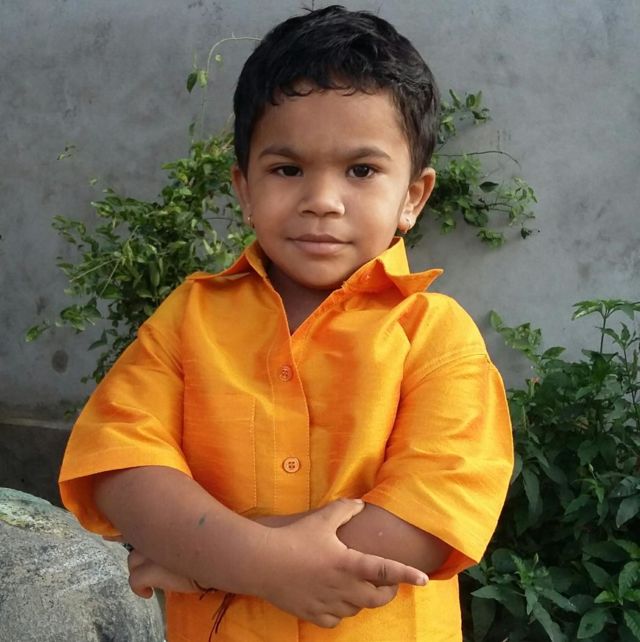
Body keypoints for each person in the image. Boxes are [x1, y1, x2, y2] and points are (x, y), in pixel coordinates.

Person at [59, 5, 513, 641]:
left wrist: (214, 558)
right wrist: (258, 559)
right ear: (245, 188)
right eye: (287, 169)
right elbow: (118, 465)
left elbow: (427, 522)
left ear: (412, 196)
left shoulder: (436, 337)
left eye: (361, 170)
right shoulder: (189, 320)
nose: (322, 201)